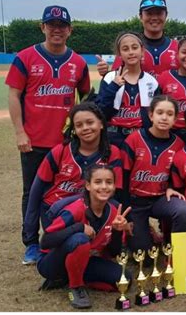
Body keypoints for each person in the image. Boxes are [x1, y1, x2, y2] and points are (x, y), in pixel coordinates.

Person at [5, 5, 91, 264]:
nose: (57, 29)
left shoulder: (77, 62)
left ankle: (55, 240)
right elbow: (14, 95)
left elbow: (86, 98)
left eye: (62, 25)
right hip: (33, 141)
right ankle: (31, 243)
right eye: (51, 24)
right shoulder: (25, 57)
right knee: (31, 193)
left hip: (65, 143)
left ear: (70, 30)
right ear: (42, 27)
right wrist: (20, 132)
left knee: (64, 193)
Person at [23, 102, 123, 264]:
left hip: (91, 210)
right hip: (56, 212)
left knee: (111, 205)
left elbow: (114, 192)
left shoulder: (112, 154)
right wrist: (30, 238)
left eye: (90, 122)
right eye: (79, 125)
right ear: (74, 130)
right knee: (71, 245)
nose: (85, 128)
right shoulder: (60, 151)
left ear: (101, 124)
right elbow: (35, 192)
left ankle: (100, 249)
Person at [37, 164, 131, 309]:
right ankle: (75, 287)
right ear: (88, 185)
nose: (104, 187)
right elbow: (45, 241)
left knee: (125, 279)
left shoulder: (113, 212)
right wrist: (79, 227)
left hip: (85, 260)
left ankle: (69, 278)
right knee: (80, 239)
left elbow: (113, 253)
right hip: (51, 264)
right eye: (98, 182)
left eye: (109, 182)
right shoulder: (75, 209)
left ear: (114, 187)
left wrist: (117, 231)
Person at [121, 95, 186, 260]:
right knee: (145, 258)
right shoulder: (134, 139)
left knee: (183, 210)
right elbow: (123, 178)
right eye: (160, 112)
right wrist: (127, 214)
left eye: (169, 114)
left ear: (175, 119)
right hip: (135, 203)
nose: (164, 117)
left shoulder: (178, 144)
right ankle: (145, 234)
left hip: (160, 199)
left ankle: (176, 254)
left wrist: (171, 187)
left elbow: (177, 175)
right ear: (151, 115)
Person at [96, 0, 186, 82]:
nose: (154, 17)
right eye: (149, 13)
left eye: (159, 13)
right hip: (140, 115)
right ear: (140, 16)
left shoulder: (178, 48)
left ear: (166, 15)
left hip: (170, 114)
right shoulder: (130, 48)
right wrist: (106, 73)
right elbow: (116, 80)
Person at [96, 31, 160, 148]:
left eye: (134, 48)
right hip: (113, 139)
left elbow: (154, 117)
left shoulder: (151, 82)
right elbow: (101, 112)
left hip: (141, 139)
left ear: (142, 51)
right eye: (125, 49)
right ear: (119, 54)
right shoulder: (110, 78)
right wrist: (113, 87)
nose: (131, 52)